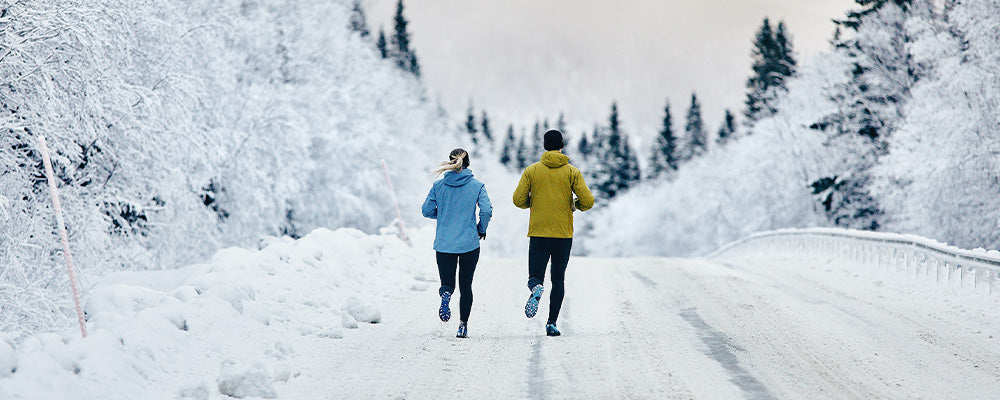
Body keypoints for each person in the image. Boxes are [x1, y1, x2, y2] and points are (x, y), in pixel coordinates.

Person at [512, 129, 594, 337]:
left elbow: (518, 200)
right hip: (563, 235)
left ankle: (536, 288)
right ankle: (551, 323)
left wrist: (535, 203)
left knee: (535, 276)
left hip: (539, 233)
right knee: (558, 279)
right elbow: (588, 201)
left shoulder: (531, 171)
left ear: (544, 146)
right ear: (562, 145)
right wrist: (574, 205)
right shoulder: (572, 172)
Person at [422, 148, 492, 338]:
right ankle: (462, 326)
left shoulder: (438, 186)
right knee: (466, 286)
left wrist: (444, 215)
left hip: (444, 243)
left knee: (447, 282)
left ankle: (445, 294)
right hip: (469, 243)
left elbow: (426, 210)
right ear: (468, 163)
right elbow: (486, 210)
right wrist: (481, 228)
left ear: (450, 162)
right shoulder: (477, 186)